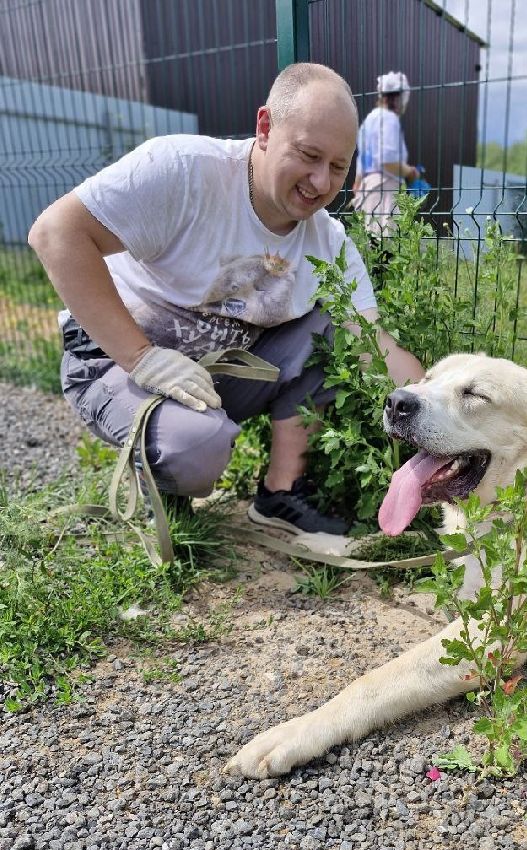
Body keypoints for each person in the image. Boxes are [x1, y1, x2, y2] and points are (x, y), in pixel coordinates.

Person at [27, 62, 424, 537]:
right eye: (307, 155)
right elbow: (55, 234)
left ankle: (281, 496)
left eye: (338, 167)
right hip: (113, 359)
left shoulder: (330, 244)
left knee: (330, 326)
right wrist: (141, 357)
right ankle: (164, 477)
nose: (320, 182)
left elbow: (372, 344)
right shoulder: (184, 170)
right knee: (197, 448)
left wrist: (441, 409)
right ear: (264, 128)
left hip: (213, 375)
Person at [353, 71, 421, 238]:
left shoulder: (369, 119)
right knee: (386, 247)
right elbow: (387, 159)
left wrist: (358, 184)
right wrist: (410, 172)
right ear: (398, 98)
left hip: (367, 187)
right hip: (384, 187)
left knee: (371, 247)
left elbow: (362, 159)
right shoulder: (389, 119)